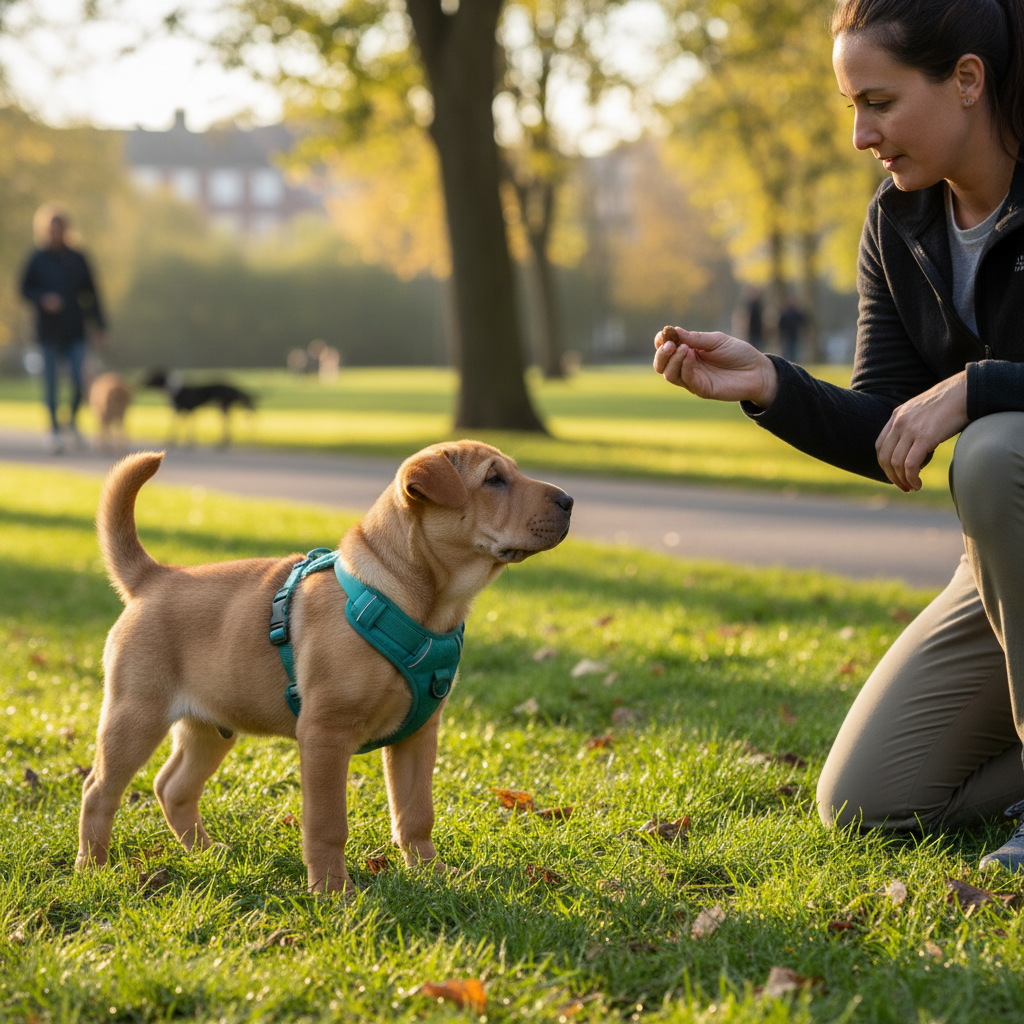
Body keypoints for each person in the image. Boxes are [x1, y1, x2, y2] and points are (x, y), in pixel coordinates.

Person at [653, 0, 1024, 871]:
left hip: (1013, 490)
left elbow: (976, 422)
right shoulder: (899, 225)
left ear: (967, 80)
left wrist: (978, 388)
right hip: (1010, 563)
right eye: (850, 107)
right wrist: (770, 384)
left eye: (880, 102)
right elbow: (888, 427)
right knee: (871, 802)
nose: (861, 134)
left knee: (999, 446)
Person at [20, 204, 107, 453]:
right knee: (51, 384)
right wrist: (43, 299)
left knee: (81, 381)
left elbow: (92, 294)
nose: (55, 233)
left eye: (59, 229)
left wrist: (99, 326)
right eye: (51, 229)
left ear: (66, 230)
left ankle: (73, 422)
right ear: (44, 231)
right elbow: (24, 289)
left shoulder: (78, 259)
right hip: (47, 332)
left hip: (75, 330)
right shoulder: (37, 259)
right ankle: (55, 431)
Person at [777, 297, 806, 363]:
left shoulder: (796, 313)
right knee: (787, 351)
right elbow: (781, 324)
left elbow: (803, 322)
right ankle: (787, 363)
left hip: (794, 335)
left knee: (794, 351)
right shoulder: (785, 313)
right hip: (786, 335)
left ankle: (794, 363)